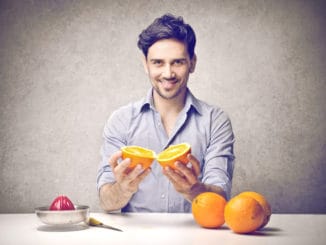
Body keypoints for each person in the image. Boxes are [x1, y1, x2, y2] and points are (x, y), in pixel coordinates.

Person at [96, 13, 235, 213]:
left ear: (192, 63)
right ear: (145, 64)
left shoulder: (215, 121)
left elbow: (220, 197)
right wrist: (123, 189)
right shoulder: (121, 120)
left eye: (178, 62)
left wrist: (193, 189)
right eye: (158, 62)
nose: (168, 73)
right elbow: (106, 202)